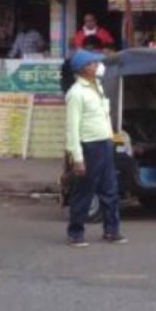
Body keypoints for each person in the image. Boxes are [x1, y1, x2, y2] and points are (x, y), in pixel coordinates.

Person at [65, 48, 125, 247]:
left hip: (105, 143)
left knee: (110, 190)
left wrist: (111, 139)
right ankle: (75, 233)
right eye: (94, 63)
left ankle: (112, 231)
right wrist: (77, 158)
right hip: (89, 146)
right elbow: (72, 128)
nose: (99, 66)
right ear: (85, 68)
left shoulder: (97, 86)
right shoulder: (76, 93)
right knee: (84, 191)